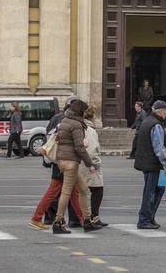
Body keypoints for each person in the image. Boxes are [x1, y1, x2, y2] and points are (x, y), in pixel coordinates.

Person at [30, 101, 84, 230]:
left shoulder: (59, 120)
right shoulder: (66, 122)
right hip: (63, 161)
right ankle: (37, 217)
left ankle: (83, 218)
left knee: (73, 193)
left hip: (59, 161)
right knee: (54, 193)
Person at [52, 98, 99, 234]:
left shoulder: (65, 120)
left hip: (62, 159)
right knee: (66, 192)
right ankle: (58, 222)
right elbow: (79, 147)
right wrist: (89, 164)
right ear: (80, 111)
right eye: (84, 111)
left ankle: (86, 220)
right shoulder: (76, 124)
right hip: (71, 161)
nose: (85, 113)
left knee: (83, 189)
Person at [135, 100, 166, 229]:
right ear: (161, 111)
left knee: (158, 189)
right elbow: (159, 148)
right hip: (152, 164)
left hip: (147, 162)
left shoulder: (147, 121)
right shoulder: (156, 125)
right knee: (151, 192)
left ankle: (149, 217)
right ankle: (144, 219)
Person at [80, 105, 108, 228]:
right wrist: (96, 163)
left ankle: (77, 217)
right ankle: (94, 216)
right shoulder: (90, 130)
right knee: (98, 189)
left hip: (80, 163)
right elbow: (92, 150)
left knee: (80, 191)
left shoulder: (79, 127)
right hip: (89, 164)